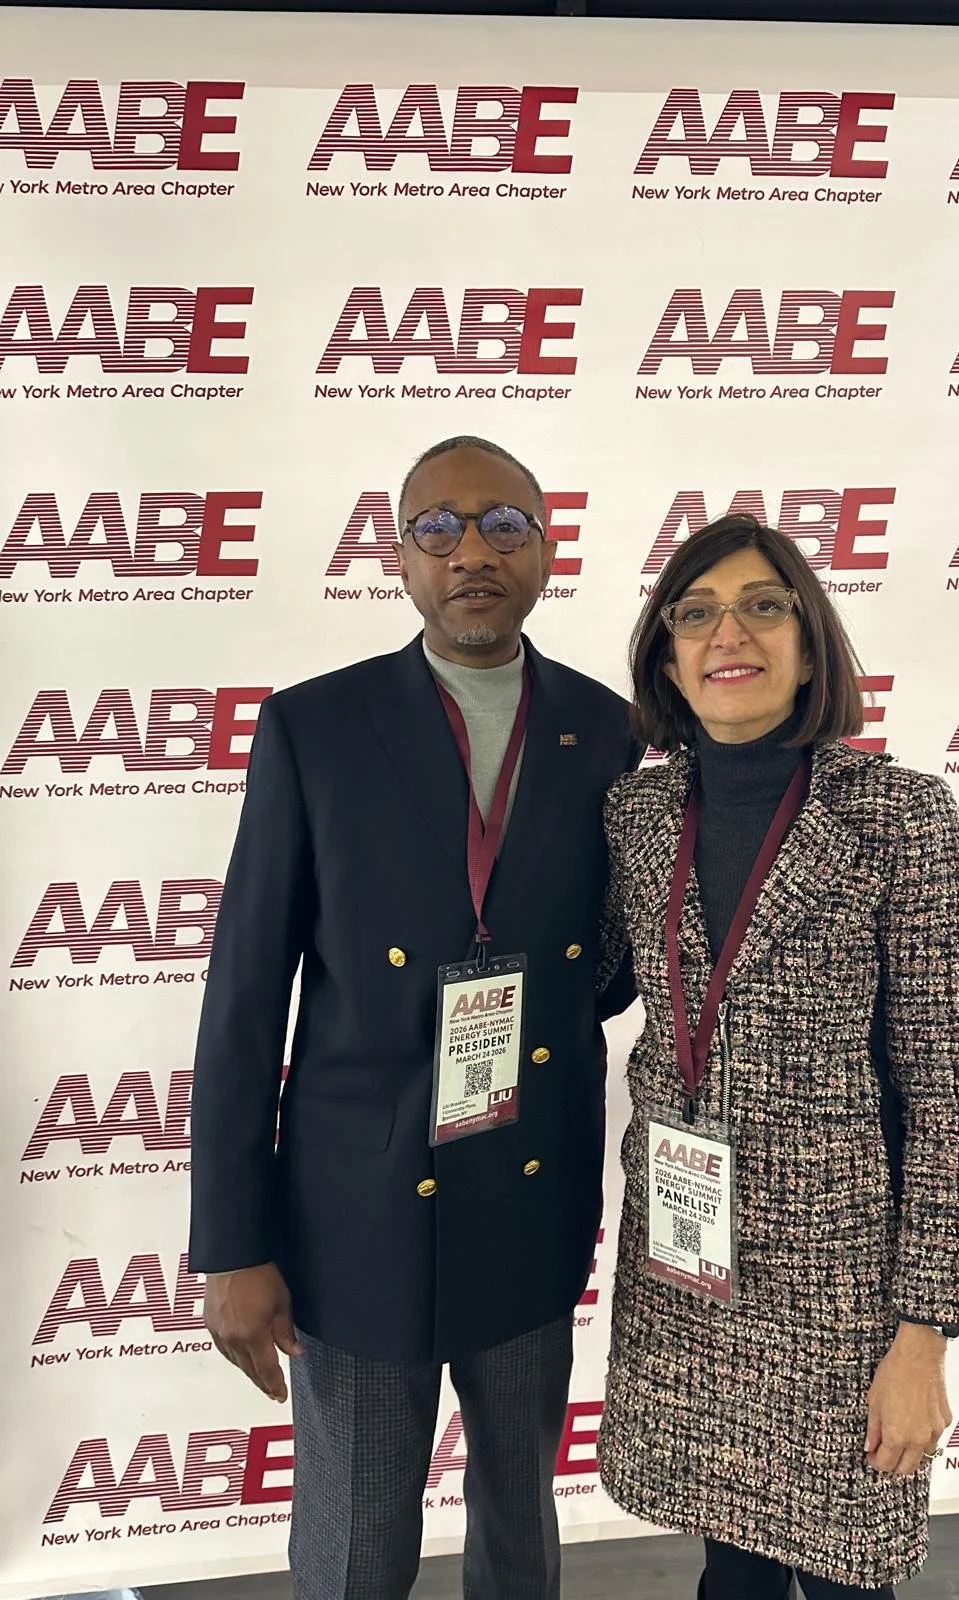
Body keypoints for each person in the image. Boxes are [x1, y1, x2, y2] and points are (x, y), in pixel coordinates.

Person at [188, 435, 639, 1600]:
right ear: (399, 556)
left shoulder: (613, 734)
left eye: (502, 524)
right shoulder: (314, 729)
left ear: (546, 547)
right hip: (355, 1216)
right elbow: (244, 996)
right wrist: (233, 1240)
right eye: (437, 527)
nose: (470, 551)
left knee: (519, 1527)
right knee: (354, 1538)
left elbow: (617, 967)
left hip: (530, 1195)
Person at [596, 515, 959, 1599]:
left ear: (810, 642)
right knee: (732, 1562)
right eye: (698, 610)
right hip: (686, 1269)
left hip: (840, 1297)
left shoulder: (898, 817)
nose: (732, 631)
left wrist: (922, 1339)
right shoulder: (636, 812)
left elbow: (944, 1099)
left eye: (765, 604)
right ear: (668, 651)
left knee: (849, 1574)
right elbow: (601, 978)